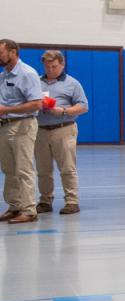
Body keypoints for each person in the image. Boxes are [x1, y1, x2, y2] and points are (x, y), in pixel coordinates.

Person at [35, 50, 88, 215]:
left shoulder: (72, 83)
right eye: (47, 66)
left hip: (63, 128)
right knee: (43, 169)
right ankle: (45, 201)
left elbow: (83, 106)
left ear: (62, 65)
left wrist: (64, 111)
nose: (50, 69)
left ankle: (71, 201)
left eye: (54, 66)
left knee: (67, 168)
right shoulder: (36, 82)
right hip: (40, 130)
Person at [0, 38, 43, 224]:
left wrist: (7, 110)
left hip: (23, 125)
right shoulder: (4, 75)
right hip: (5, 125)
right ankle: (14, 206)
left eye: (1, 53)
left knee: (23, 169)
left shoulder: (27, 73)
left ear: (13, 52)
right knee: (9, 169)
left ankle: (29, 210)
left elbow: (36, 104)